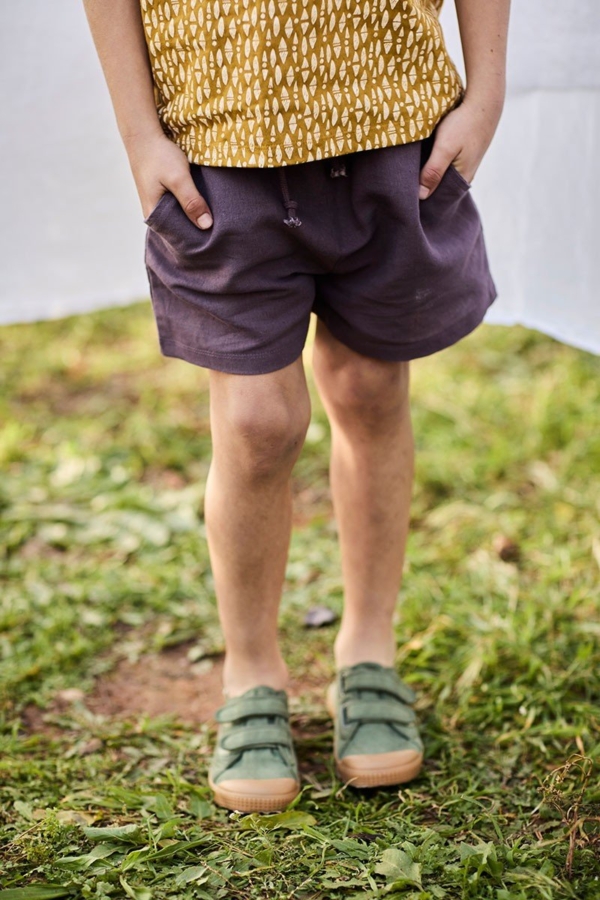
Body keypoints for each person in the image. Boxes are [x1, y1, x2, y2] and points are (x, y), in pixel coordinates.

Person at [82, 0, 511, 813]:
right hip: (221, 137)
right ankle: (251, 670)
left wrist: (485, 89)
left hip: (390, 120)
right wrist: (140, 132)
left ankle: (368, 650)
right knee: (256, 425)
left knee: (369, 387)